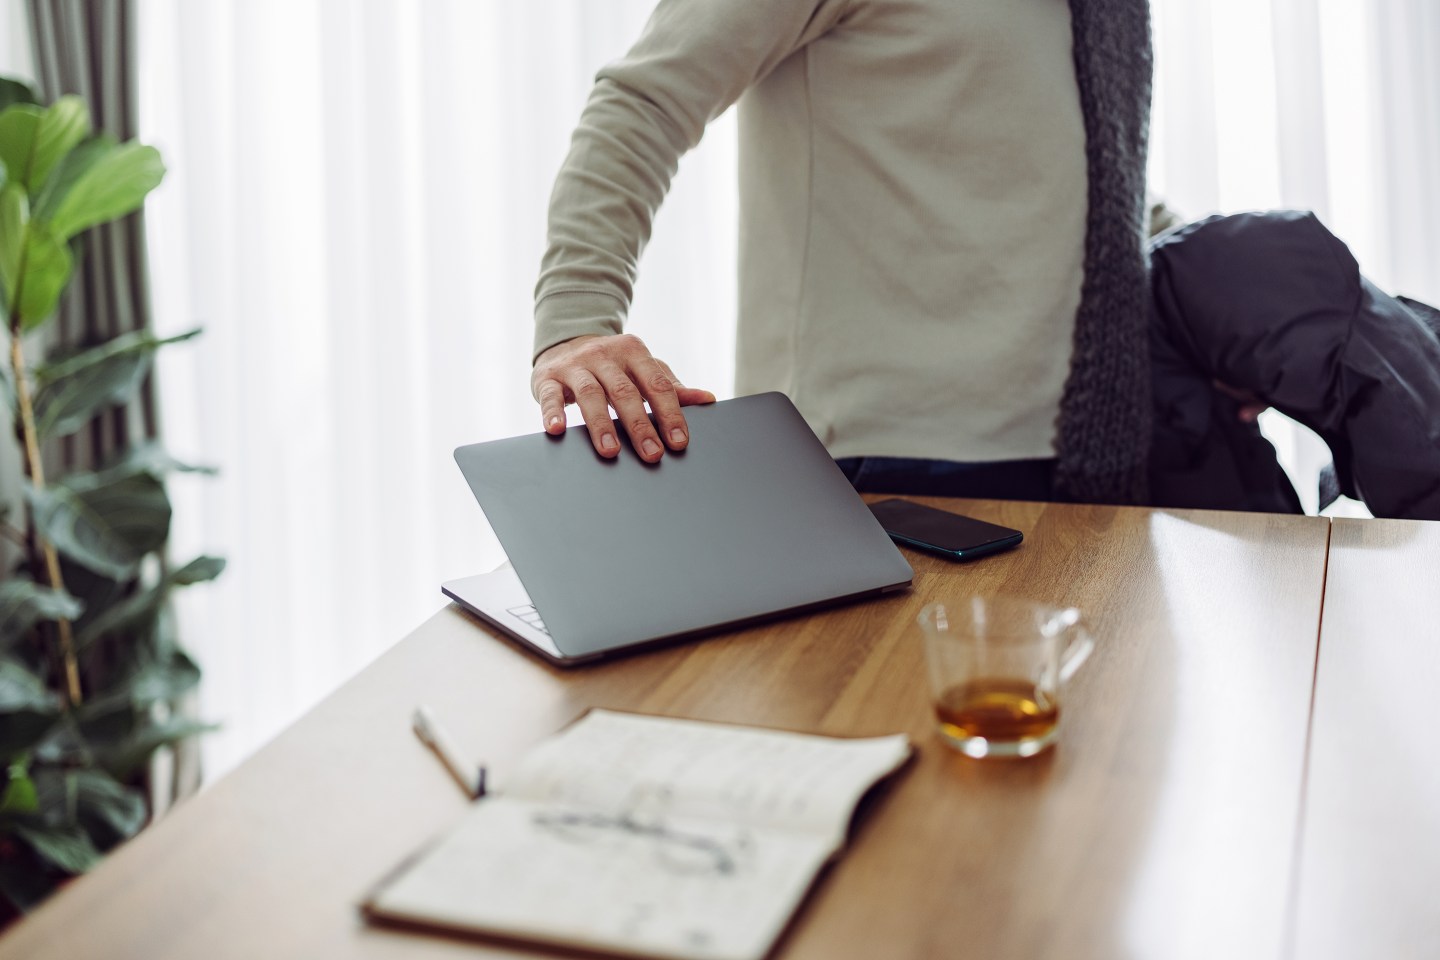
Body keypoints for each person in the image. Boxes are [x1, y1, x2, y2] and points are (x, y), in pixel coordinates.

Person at [530, 0, 1154, 504]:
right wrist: (578, 322)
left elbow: (1096, 188)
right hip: (874, 461)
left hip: (1084, 450)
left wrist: (1220, 313)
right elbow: (645, 103)